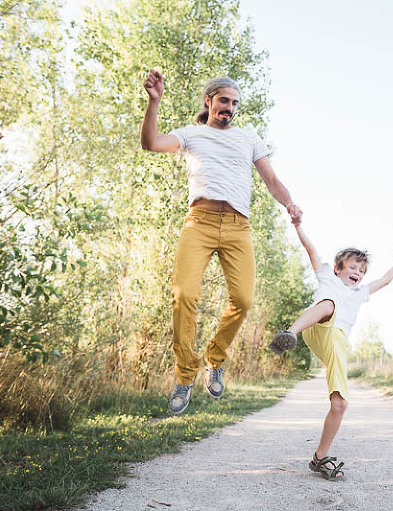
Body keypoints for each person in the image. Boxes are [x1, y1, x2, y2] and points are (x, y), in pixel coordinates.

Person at [140, 68, 302, 414]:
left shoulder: (249, 138)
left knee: (242, 300)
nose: (229, 107)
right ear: (209, 101)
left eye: (234, 103)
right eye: (223, 101)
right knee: (184, 294)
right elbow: (151, 143)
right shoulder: (191, 134)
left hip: (237, 227)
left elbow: (272, 180)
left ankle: (215, 357)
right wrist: (154, 103)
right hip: (198, 222)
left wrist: (289, 203)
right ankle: (185, 374)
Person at [270, 220, 393, 480]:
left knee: (340, 404)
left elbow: (386, 280)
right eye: (353, 267)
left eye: (362, 270)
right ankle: (289, 333)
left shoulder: (360, 292)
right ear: (338, 268)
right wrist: (298, 225)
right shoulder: (327, 278)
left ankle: (320, 457)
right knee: (330, 304)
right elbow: (311, 250)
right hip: (316, 327)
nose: (358, 272)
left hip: (337, 343)